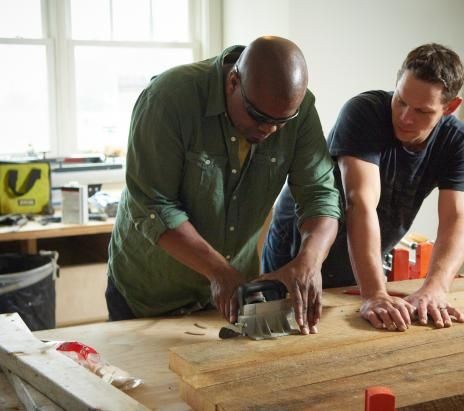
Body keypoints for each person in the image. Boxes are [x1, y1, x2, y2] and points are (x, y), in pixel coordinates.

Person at [105, 36, 341, 335]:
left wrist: (311, 259)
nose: (269, 129)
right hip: (149, 292)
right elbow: (153, 206)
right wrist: (218, 271)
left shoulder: (300, 109)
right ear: (233, 82)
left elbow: (320, 195)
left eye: (281, 122)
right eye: (258, 116)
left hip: (230, 294)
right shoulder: (168, 98)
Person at [262, 43, 464, 332]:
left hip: (362, 257)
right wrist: (375, 292)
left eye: (422, 111)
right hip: (304, 248)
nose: (405, 117)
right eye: (400, 101)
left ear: (450, 108)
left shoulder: (457, 141)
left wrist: (435, 288)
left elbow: (457, 218)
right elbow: (360, 202)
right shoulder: (364, 112)